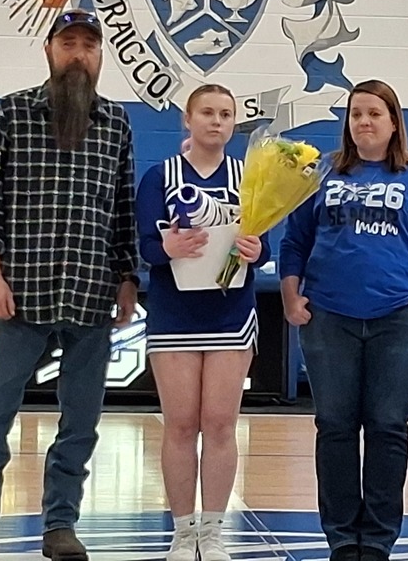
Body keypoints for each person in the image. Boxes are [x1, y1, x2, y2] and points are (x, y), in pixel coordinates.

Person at [0, 8, 139, 561]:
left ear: (100, 57)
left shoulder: (116, 123)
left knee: (81, 422)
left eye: (89, 46)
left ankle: (61, 527)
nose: (79, 53)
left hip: (92, 292)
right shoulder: (11, 113)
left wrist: (127, 279)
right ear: (49, 50)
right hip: (20, 291)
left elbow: (122, 208)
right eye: (68, 42)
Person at [279, 79, 408, 561]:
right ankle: (341, 536)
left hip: (397, 322)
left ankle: (376, 540)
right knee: (334, 426)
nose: (364, 122)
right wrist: (292, 299)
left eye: (374, 113)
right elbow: (294, 242)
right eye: (356, 113)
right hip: (328, 319)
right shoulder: (322, 174)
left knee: (387, 426)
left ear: (393, 121)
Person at [135, 84, 270, 561]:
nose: (217, 121)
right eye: (207, 113)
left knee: (219, 423)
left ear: (235, 124)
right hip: (174, 316)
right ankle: (181, 530)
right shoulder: (159, 177)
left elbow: (263, 244)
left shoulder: (249, 177)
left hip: (230, 316)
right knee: (179, 424)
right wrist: (166, 249)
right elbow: (146, 246)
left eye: (226, 114)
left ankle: (212, 532)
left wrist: (256, 250)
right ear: (187, 120)